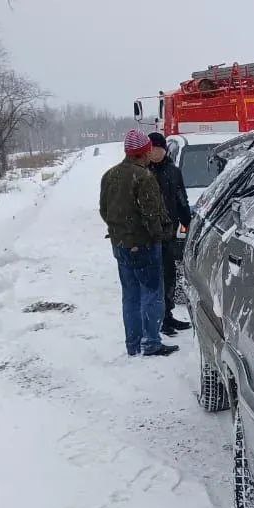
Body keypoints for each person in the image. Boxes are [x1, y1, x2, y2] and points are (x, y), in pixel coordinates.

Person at [99, 129, 179, 357]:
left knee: (130, 295)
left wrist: (120, 230)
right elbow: (152, 215)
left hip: (120, 244)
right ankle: (151, 342)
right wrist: (160, 235)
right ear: (142, 153)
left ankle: (132, 344)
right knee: (151, 294)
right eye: (146, 151)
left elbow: (104, 210)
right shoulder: (144, 178)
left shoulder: (110, 175)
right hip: (144, 245)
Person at [146, 131, 193, 335]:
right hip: (150, 235)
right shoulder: (143, 173)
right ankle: (158, 319)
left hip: (169, 232)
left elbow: (181, 198)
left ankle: (168, 315)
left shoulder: (173, 171)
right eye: (152, 149)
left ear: (164, 150)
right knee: (155, 279)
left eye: (159, 149)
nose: (156, 153)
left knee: (169, 276)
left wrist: (186, 221)